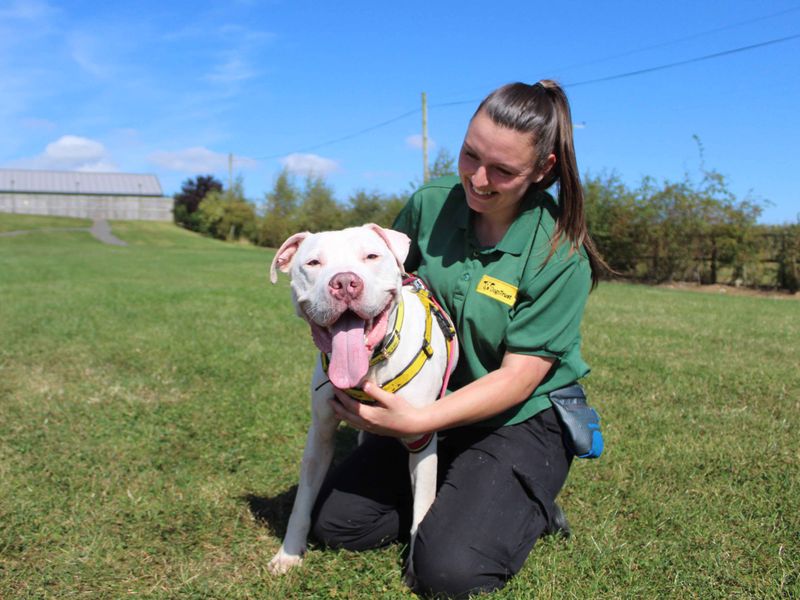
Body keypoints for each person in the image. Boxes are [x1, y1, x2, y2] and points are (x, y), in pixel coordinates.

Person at [311, 80, 607, 599]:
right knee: (338, 525)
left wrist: (417, 422)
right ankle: (463, 494)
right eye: (470, 154)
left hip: (518, 417)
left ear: (544, 170)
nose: (477, 178)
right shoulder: (429, 205)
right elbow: (387, 292)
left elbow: (519, 378)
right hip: (430, 398)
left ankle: (528, 507)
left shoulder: (559, 254)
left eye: (503, 171)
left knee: (448, 573)